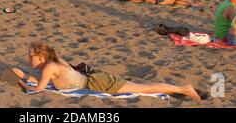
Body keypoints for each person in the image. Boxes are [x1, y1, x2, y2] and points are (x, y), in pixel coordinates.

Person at [12, 42, 201, 100]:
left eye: (30, 55)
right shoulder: (55, 61)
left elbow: (38, 88)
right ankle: (181, 89)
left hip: (97, 83)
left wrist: (22, 81)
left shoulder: (49, 67)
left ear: (41, 57)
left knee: (144, 89)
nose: (28, 58)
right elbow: (45, 82)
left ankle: (183, 89)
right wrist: (25, 75)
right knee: (142, 87)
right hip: (95, 78)